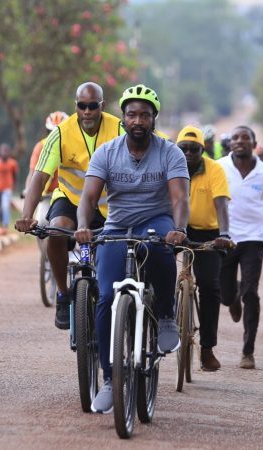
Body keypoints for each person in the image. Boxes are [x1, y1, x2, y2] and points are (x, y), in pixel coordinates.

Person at [75, 84, 189, 413]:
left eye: (144, 114)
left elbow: (180, 198)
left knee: (162, 251)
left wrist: (179, 230)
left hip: (157, 222)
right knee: (108, 297)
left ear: (154, 119)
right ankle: (111, 379)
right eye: (131, 114)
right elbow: (89, 198)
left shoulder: (171, 153)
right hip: (116, 228)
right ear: (123, 118)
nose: (138, 120)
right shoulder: (106, 152)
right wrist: (84, 226)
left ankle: (166, 316)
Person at [16, 82, 121, 330]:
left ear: (101, 106)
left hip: (109, 206)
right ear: (76, 106)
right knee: (55, 231)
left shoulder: (118, 128)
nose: (87, 111)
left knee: (114, 250)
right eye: (82, 106)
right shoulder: (60, 134)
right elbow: (40, 177)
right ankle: (63, 293)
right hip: (71, 200)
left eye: (92, 106)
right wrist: (26, 215)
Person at [219, 125, 263, 370]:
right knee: (225, 295)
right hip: (225, 237)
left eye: (245, 138)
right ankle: (232, 297)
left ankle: (248, 351)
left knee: (251, 294)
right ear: (230, 143)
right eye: (235, 137)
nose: (239, 141)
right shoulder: (219, 167)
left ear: (254, 143)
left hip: (254, 240)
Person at [177, 125, 232, 371]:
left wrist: (224, 234)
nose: (188, 153)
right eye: (183, 149)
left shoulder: (215, 169)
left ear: (203, 149)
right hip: (174, 228)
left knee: (210, 286)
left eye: (194, 149)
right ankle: (163, 323)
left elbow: (221, 204)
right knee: (155, 269)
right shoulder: (170, 166)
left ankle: (207, 348)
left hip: (207, 233)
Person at [24, 112, 68, 229]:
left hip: (68, 196)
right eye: (51, 133)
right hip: (46, 195)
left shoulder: (73, 145)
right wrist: (28, 190)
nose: (55, 137)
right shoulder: (40, 147)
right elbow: (33, 173)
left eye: (60, 133)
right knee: (41, 222)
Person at [0, 143, 18, 234]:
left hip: (8, 188)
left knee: (5, 206)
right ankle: (0, 225)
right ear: (0, 152)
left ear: (9, 152)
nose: (4, 153)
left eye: (6, 151)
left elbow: (15, 175)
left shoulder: (13, 163)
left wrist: (14, 185)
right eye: (3, 151)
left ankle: (6, 226)